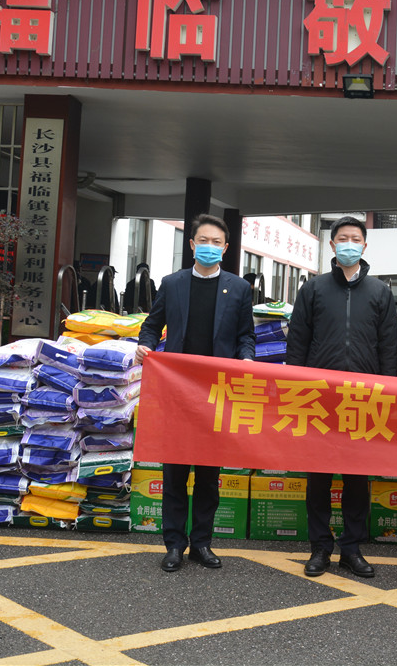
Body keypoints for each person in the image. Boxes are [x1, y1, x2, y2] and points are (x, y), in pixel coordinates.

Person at [136, 214, 256, 573]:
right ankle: (174, 544)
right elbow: (152, 325)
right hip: (177, 392)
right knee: (174, 473)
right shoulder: (173, 284)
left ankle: (202, 543)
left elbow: (245, 336)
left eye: (216, 242)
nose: (209, 247)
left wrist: (247, 359)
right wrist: (145, 346)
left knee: (207, 474)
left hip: (216, 394)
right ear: (191, 245)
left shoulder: (239, 288)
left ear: (226, 248)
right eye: (203, 241)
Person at [285, 216, 397, 579]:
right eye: (343, 238)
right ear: (332, 245)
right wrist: (296, 387)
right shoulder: (313, 289)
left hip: (364, 399)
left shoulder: (380, 292)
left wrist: (388, 392)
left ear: (364, 245)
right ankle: (320, 547)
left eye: (356, 238)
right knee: (318, 477)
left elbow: (388, 347)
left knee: (356, 479)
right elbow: (297, 342)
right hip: (318, 398)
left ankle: (351, 548)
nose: (349, 243)